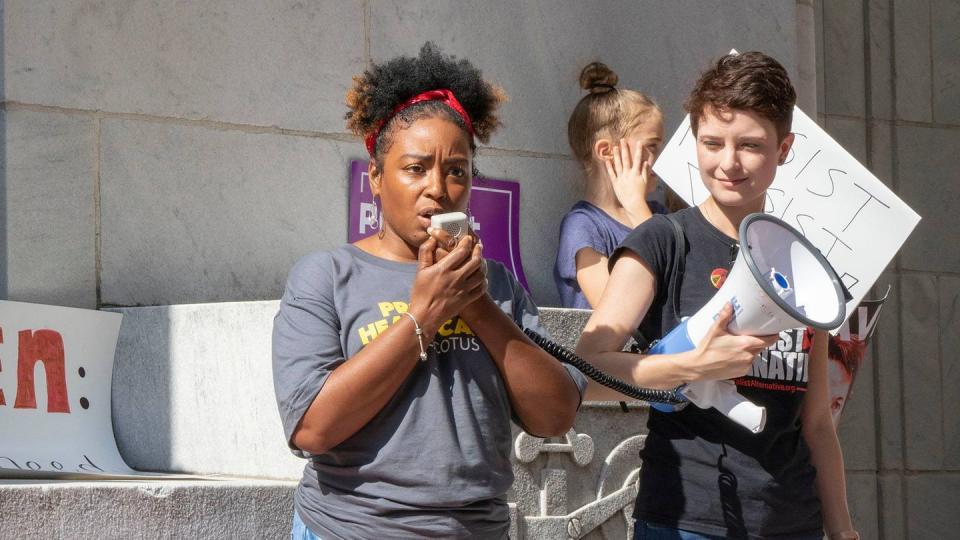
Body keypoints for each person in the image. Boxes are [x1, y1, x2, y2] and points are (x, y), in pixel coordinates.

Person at [272, 43, 586, 539]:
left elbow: (554, 417)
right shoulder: (326, 276)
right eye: (415, 168)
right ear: (376, 177)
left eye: (456, 170)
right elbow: (312, 427)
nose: (438, 188)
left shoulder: (495, 283)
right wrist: (424, 315)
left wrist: (476, 302)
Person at [576, 52, 859, 539]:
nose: (728, 163)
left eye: (750, 145)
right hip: (686, 519)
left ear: (784, 147)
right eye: (712, 143)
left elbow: (815, 425)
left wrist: (844, 530)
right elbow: (588, 369)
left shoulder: (803, 262)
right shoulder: (662, 241)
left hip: (795, 522)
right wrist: (692, 366)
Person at [554, 62, 667, 309]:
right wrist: (636, 205)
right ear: (606, 151)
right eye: (651, 147)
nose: (660, 159)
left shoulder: (659, 215)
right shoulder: (583, 225)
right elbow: (617, 312)